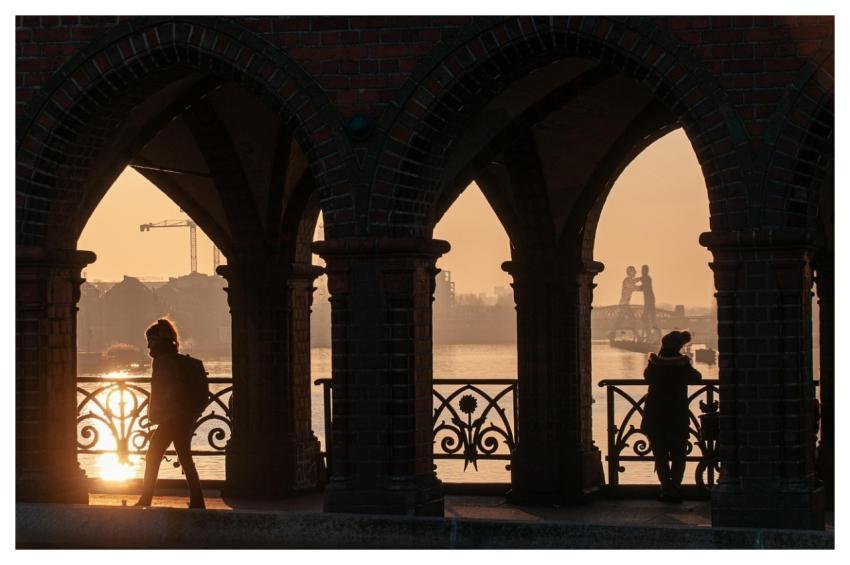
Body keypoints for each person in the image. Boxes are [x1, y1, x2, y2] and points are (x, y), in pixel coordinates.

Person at [134, 319, 207, 509]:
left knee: (153, 455)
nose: (148, 345)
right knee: (184, 457)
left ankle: (146, 499)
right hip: (183, 417)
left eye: (150, 340)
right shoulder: (174, 359)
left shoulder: (162, 361)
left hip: (171, 418)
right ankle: (198, 500)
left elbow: (163, 391)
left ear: (158, 340)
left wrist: (156, 415)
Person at [641, 330, 701, 502]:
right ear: (680, 346)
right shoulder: (682, 364)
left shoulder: (654, 363)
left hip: (655, 414)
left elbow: (647, 377)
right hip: (676, 414)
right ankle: (675, 488)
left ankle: (665, 489)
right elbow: (697, 377)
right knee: (678, 455)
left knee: (660, 456)